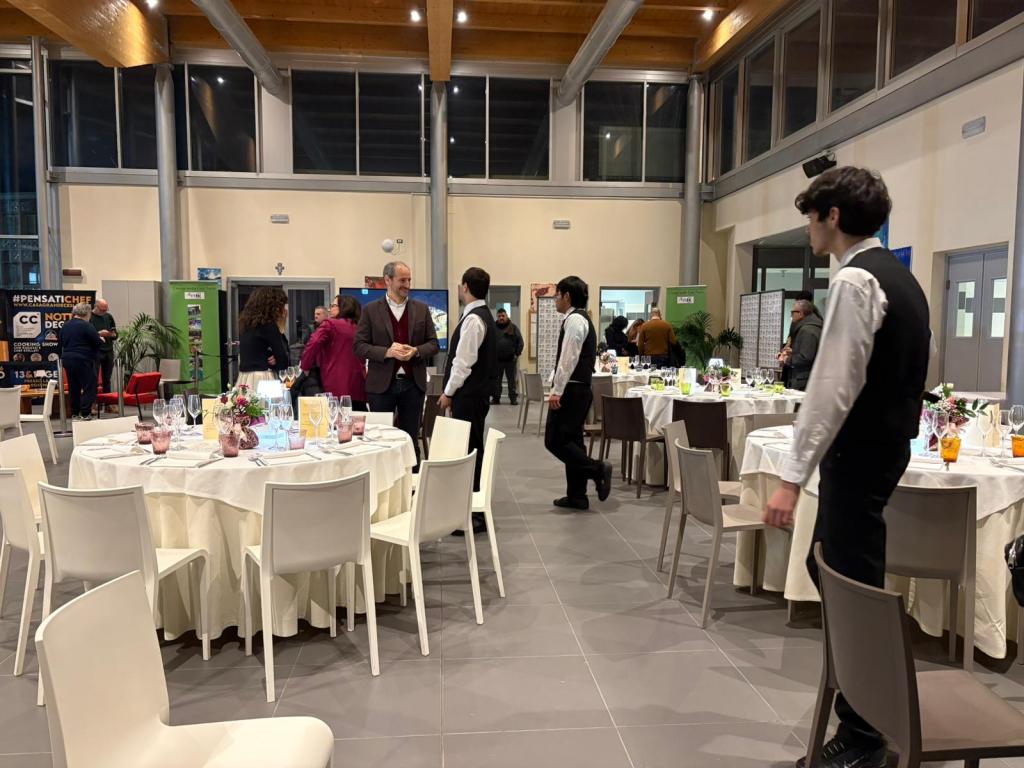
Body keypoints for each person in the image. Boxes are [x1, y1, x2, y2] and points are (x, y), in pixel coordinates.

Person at [763, 167, 931, 768]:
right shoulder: (901, 279)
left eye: (812, 215)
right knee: (834, 567)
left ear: (833, 216)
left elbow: (832, 387)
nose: (808, 227)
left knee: (853, 584)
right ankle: (865, 711)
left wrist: (790, 478)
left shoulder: (858, 280)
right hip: (883, 450)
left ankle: (863, 732)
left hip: (858, 455)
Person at [354, 261, 439, 464]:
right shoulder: (371, 310)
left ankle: (413, 487)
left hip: (413, 385)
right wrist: (387, 352)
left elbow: (434, 344)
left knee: (410, 440)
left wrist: (416, 351)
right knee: (380, 440)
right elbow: (359, 347)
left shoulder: (421, 309)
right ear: (387, 280)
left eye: (409, 280)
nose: (407, 284)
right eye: (402, 280)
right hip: (381, 386)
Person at [544, 276, 613, 511]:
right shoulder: (578, 319)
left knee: (554, 440)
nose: (555, 299)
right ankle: (577, 495)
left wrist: (557, 390)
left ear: (567, 296)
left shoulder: (574, 320)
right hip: (577, 388)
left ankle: (597, 469)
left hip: (572, 389)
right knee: (572, 441)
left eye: (557, 295)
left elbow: (568, 358)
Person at [440, 268, 497, 535]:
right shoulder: (481, 315)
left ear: (465, 287)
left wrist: (448, 392)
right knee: (471, 447)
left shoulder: (474, 320)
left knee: (469, 450)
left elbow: (463, 363)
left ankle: (472, 513)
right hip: (476, 395)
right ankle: (469, 509)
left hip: (469, 395)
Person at [300, 295, 368, 410]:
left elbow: (314, 342)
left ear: (344, 307)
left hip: (335, 384)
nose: (330, 309)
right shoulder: (362, 327)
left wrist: (305, 366)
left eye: (334, 305)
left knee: (335, 423)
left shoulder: (330, 324)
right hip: (359, 384)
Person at [237, 286, 290, 389]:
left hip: (244, 377)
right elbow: (283, 361)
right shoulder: (269, 325)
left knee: (246, 404)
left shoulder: (246, 324)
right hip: (264, 378)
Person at [60, 302, 102, 421]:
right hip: (84, 359)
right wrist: (101, 339)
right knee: (89, 386)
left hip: (67, 359)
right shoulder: (86, 325)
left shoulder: (65, 325)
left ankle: (75, 413)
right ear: (87, 313)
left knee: (74, 387)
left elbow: (62, 342)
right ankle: (85, 413)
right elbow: (97, 342)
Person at [779, 299, 822, 391]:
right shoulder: (812, 327)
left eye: (792, 312)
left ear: (800, 314)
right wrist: (792, 352)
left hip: (803, 381)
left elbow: (806, 357)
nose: (791, 315)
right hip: (808, 378)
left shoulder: (807, 330)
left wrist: (787, 359)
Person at [492, 308, 523, 406]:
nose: (501, 318)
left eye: (503, 316)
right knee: (496, 381)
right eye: (499, 316)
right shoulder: (493, 327)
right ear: (497, 317)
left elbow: (520, 342)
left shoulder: (513, 327)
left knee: (512, 381)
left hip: (510, 360)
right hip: (497, 360)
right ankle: (496, 399)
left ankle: (513, 399)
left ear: (506, 316)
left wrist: (516, 354)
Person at [89, 298, 117, 396]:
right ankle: (93, 403)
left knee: (107, 379)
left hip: (108, 351)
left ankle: (108, 403)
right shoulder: (89, 317)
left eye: (106, 309)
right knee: (93, 378)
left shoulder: (108, 317)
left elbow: (115, 334)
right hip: (95, 351)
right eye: (102, 310)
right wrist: (98, 334)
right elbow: (85, 335)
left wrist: (111, 334)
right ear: (95, 307)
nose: (104, 312)